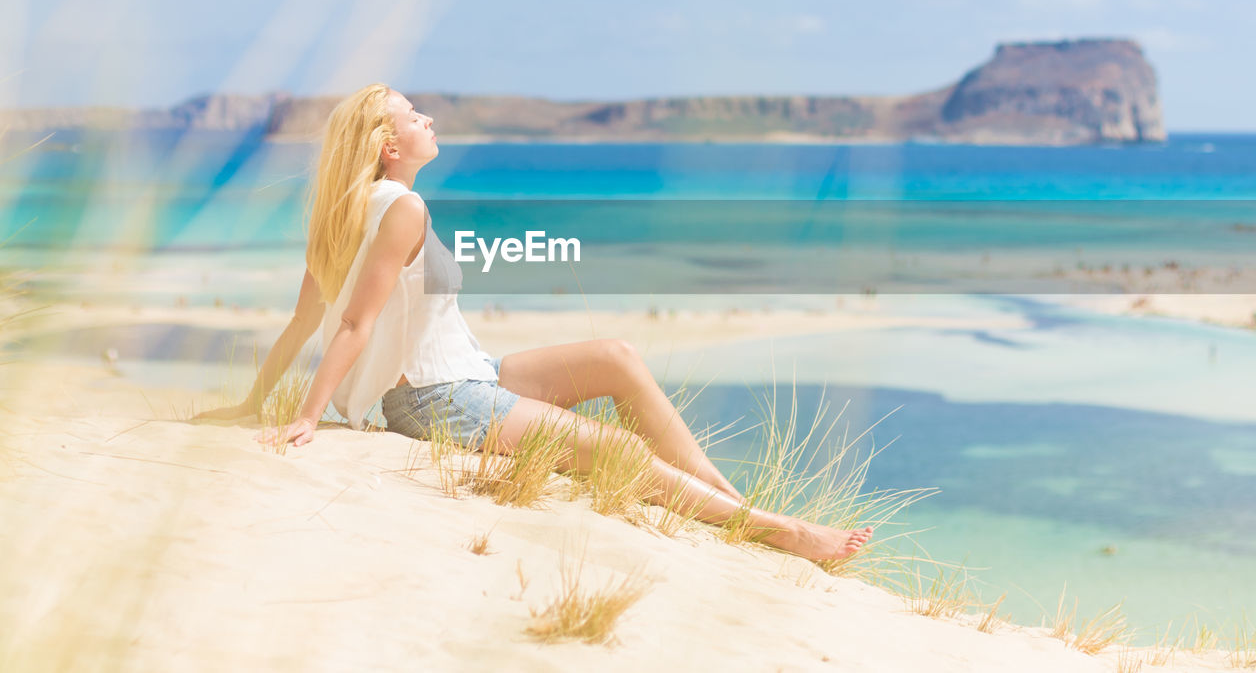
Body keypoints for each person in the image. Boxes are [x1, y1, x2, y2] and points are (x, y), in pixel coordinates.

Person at [196, 83, 872, 562]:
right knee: (621, 453)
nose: (427, 118)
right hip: (437, 400)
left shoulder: (337, 214)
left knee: (618, 356)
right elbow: (351, 323)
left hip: (471, 374)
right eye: (412, 115)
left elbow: (296, 326)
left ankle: (735, 503)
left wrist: (255, 401)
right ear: (386, 145)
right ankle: (777, 531)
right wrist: (309, 417)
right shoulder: (401, 209)